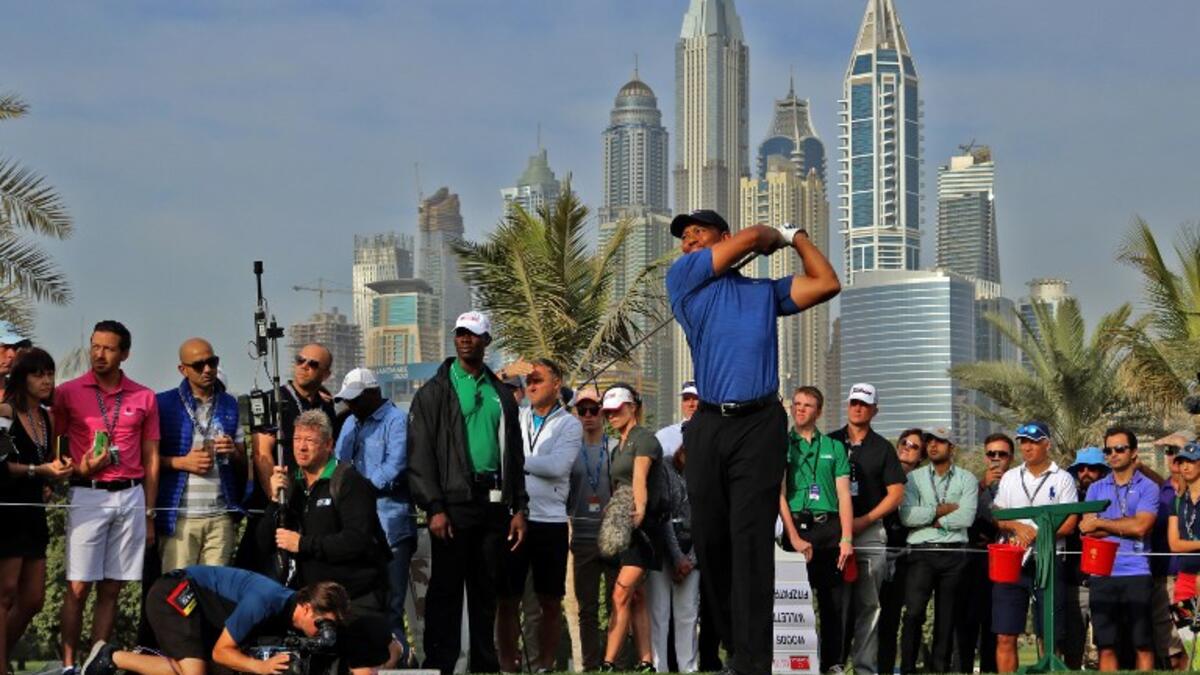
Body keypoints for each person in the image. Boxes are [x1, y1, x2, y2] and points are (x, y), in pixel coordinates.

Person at [667, 209, 839, 675]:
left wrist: (797, 236)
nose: (687, 242)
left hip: (760, 424)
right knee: (712, 539)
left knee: (751, 543)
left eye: (697, 233)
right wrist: (770, 235)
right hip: (708, 425)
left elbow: (826, 283)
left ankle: (753, 661)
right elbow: (756, 236)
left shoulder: (764, 293)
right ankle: (728, 641)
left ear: (722, 236)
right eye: (684, 237)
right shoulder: (684, 278)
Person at [407, 311, 528, 674]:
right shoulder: (433, 391)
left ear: (486, 341)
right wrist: (434, 506)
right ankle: (440, 665)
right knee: (445, 591)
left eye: (473, 334)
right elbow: (419, 455)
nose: (465, 339)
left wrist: (519, 507)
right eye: (460, 332)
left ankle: (484, 665)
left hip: (492, 504)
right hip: (451, 503)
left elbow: (515, 456)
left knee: (485, 591)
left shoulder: (502, 394)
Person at [53, 321, 160, 674]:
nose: (99, 354)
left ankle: (93, 663)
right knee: (79, 585)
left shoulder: (143, 396)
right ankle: (68, 664)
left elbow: (152, 458)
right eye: (95, 346)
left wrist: (149, 513)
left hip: (130, 495)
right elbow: (54, 447)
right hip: (88, 494)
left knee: (112, 587)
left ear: (124, 353)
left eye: (108, 348)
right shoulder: (68, 392)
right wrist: (76, 467)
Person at [258, 409, 394, 672]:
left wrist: (303, 544)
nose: (302, 447)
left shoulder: (349, 481)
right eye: (297, 439)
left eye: (310, 440)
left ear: (329, 444)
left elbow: (357, 540)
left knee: (362, 664)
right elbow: (264, 542)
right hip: (317, 603)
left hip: (358, 597)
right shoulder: (292, 487)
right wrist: (275, 499)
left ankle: (394, 649)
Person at [80, 566, 350, 675]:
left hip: (203, 612)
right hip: (175, 592)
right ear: (304, 608)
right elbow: (221, 652)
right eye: (321, 624)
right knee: (197, 674)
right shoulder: (266, 601)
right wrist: (262, 667)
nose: (322, 633)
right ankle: (110, 656)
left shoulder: (289, 610)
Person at [497, 358, 581, 672]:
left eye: (538, 380)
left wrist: (516, 460)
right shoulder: (515, 416)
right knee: (507, 598)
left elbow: (558, 467)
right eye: (527, 381)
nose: (530, 386)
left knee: (549, 599)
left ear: (556, 383)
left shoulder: (569, 423)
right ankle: (507, 663)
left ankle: (545, 664)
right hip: (513, 517)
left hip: (551, 522)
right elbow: (485, 395)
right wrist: (504, 374)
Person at [332, 367, 417, 665]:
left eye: (356, 399)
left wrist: (360, 492)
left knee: (393, 602)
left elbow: (396, 466)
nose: (350, 405)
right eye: (347, 400)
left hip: (390, 522)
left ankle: (397, 661)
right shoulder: (350, 423)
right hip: (357, 528)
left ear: (373, 393)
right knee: (363, 602)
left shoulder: (396, 421)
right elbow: (339, 464)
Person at [0, 349, 74, 675]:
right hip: (7, 511)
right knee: (5, 595)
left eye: (49, 373)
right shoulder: (5, 411)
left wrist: (55, 475)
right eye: (37, 374)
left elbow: (49, 463)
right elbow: (1, 464)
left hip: (34, 511)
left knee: (33, 599)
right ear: (22, 377)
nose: (46, 381)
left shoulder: (46, 417)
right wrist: (38, 470)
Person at [238, 343, 339, 574]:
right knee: (262, 570)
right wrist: (276, 499)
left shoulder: (326, 406)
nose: (304, 367)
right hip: (275, 504)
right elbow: (262, 453)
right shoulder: (271, 400)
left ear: (326, 374)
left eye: (313, 364)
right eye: (300, 360)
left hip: (310, 506)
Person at [828, 384, 906, 675]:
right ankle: (833, 664)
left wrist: (866, 519)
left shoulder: (882, 447)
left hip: (870, 532)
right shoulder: (831, 441)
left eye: (864, 404)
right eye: (853, 402)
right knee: (835, 605)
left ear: (875, 410)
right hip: (835, 533)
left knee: (869, 606)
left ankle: (864, 668)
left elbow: (896, 493)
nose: (857, 408)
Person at [991, 421, 1078, 673]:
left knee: (1049, 635)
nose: (1027, 447)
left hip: (1049, 559)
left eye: (1034, 442)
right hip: (1012, 559)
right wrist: (1017, 527)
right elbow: (998, 515)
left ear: (1047, 444)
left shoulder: (1062, 479)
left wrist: (1037, 535)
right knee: (1005, 634)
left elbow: (1070, 522)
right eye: (1023, 442)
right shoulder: (1009, 477)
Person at [777, 386, 852, 674]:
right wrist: (793, 537)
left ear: (818, 411)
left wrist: (846, 538)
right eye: (796, 404)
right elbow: (779, 492)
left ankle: (833, 662)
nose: (800, 409)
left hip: (829, 527)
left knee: (832, 603)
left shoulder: (834, 447)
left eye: (807, 405)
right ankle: (793, 663)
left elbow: (844, 494)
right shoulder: (783, 445)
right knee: (793, 600)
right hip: (795, 525)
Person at [155, 338, 247, 571]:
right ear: (182, 369)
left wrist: (233, 452)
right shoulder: (163, 404)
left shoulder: (229, 404)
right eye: (198, 365)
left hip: (220, 517)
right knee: (178, 594)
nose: (207, 369)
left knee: (214, 594)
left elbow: (243, 461)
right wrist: (181, 462)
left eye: (212, 362)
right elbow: (145, 459)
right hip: (179, 518)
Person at [897, 427, 976, 674]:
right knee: (914, 614)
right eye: (930, 441)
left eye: (940, 442)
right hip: (922, 551)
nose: (933, 445)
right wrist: (940, 511)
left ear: (952, 448)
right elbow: (907, 515)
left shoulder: (967, 478)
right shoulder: (913, 478)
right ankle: (908, 668)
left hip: (954, 553)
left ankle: (940, 669)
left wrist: (933, 520)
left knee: (947, 617)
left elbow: (967, 516)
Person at [1079, 426, 1157, 672]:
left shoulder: (1148, 487)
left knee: (1142, 643)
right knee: (1106, 645)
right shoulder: (1096, 488)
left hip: (1136, 571)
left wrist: (1103, 522)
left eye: (1120, 449)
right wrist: (1125, 524)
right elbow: (1086, 530)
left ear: (1133, 453)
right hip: (1101, 573)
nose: (1113, 454)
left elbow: (1142, 526)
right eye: (1108, 450)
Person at [599, 384, 664, 673]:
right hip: (623, 527)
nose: (610, 416)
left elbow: (639, 481)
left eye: (616, 410)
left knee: (620, 593)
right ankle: (646, 661)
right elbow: (618, 488)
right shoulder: (618, 446)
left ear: (632, 407)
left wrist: (636, 517)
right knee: (636, 596)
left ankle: (608, 662)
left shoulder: (644, 439)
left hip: (644, 528)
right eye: (607, 412)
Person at [955, 432, 1016, 674]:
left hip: (1004, 561)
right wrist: (984, 486)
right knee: (966, 623)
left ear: (1010, 457)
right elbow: (965, 517)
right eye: (991, 453)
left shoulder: (1018, 484)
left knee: (996, 625)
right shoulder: (973, 484)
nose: (996, 459)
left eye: (1002, 454)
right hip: (972, 561)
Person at [566, 386, 616, 671]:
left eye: (593, 410)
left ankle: (616, 662)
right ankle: (590, 664)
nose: (588, 416)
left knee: (616, 604)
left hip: (612, 538)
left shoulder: (615, 448)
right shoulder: (571, 451)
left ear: (603, 413)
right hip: (582, 538)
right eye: (582, 410)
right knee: (587, 610)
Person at [877, 427, 922, 675]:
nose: (907, 446)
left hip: (905, 559)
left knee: (893, 620)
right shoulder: (880, 473)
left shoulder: (920, 484)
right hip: (874, 551)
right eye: (904, 442)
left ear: (921, 456)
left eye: (914, 446)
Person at [1062, 446, 1108, 670]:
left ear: (1103, 471)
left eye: (1092, 468)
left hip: (1106, 578)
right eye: (1081, 469)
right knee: (1073, 645)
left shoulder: (1112, 498)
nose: (1086, 473)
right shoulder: (1070, 499)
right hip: (1076, 580)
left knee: (1108, 644)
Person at [1151, 442, 1189, 671]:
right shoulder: (1157, 491)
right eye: (1169, 451)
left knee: (1191, 648)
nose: (1173, 457)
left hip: (1192, 575)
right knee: (1169, 651)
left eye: (1179, 451)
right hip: (1163, 578)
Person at [1168, 443, 1200, 605]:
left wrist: (1188, 544)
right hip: (1184, 577)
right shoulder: (1177, 501)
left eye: (1191, 462)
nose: (1185, 467)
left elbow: (1181, 543)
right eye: (1181, 462)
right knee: (1187, 630)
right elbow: (1174, 544)